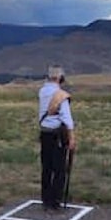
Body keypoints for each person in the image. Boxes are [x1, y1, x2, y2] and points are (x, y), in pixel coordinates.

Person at [38, 65, 76, 210]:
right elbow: (67, 118)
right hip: (57, 134)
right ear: (60, 77)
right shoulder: (60, 95)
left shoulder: (42, 91)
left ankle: (46, 199)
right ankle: (55, 200)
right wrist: (72, 137)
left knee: (46, 167)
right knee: (59, 169)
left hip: (44, 133)